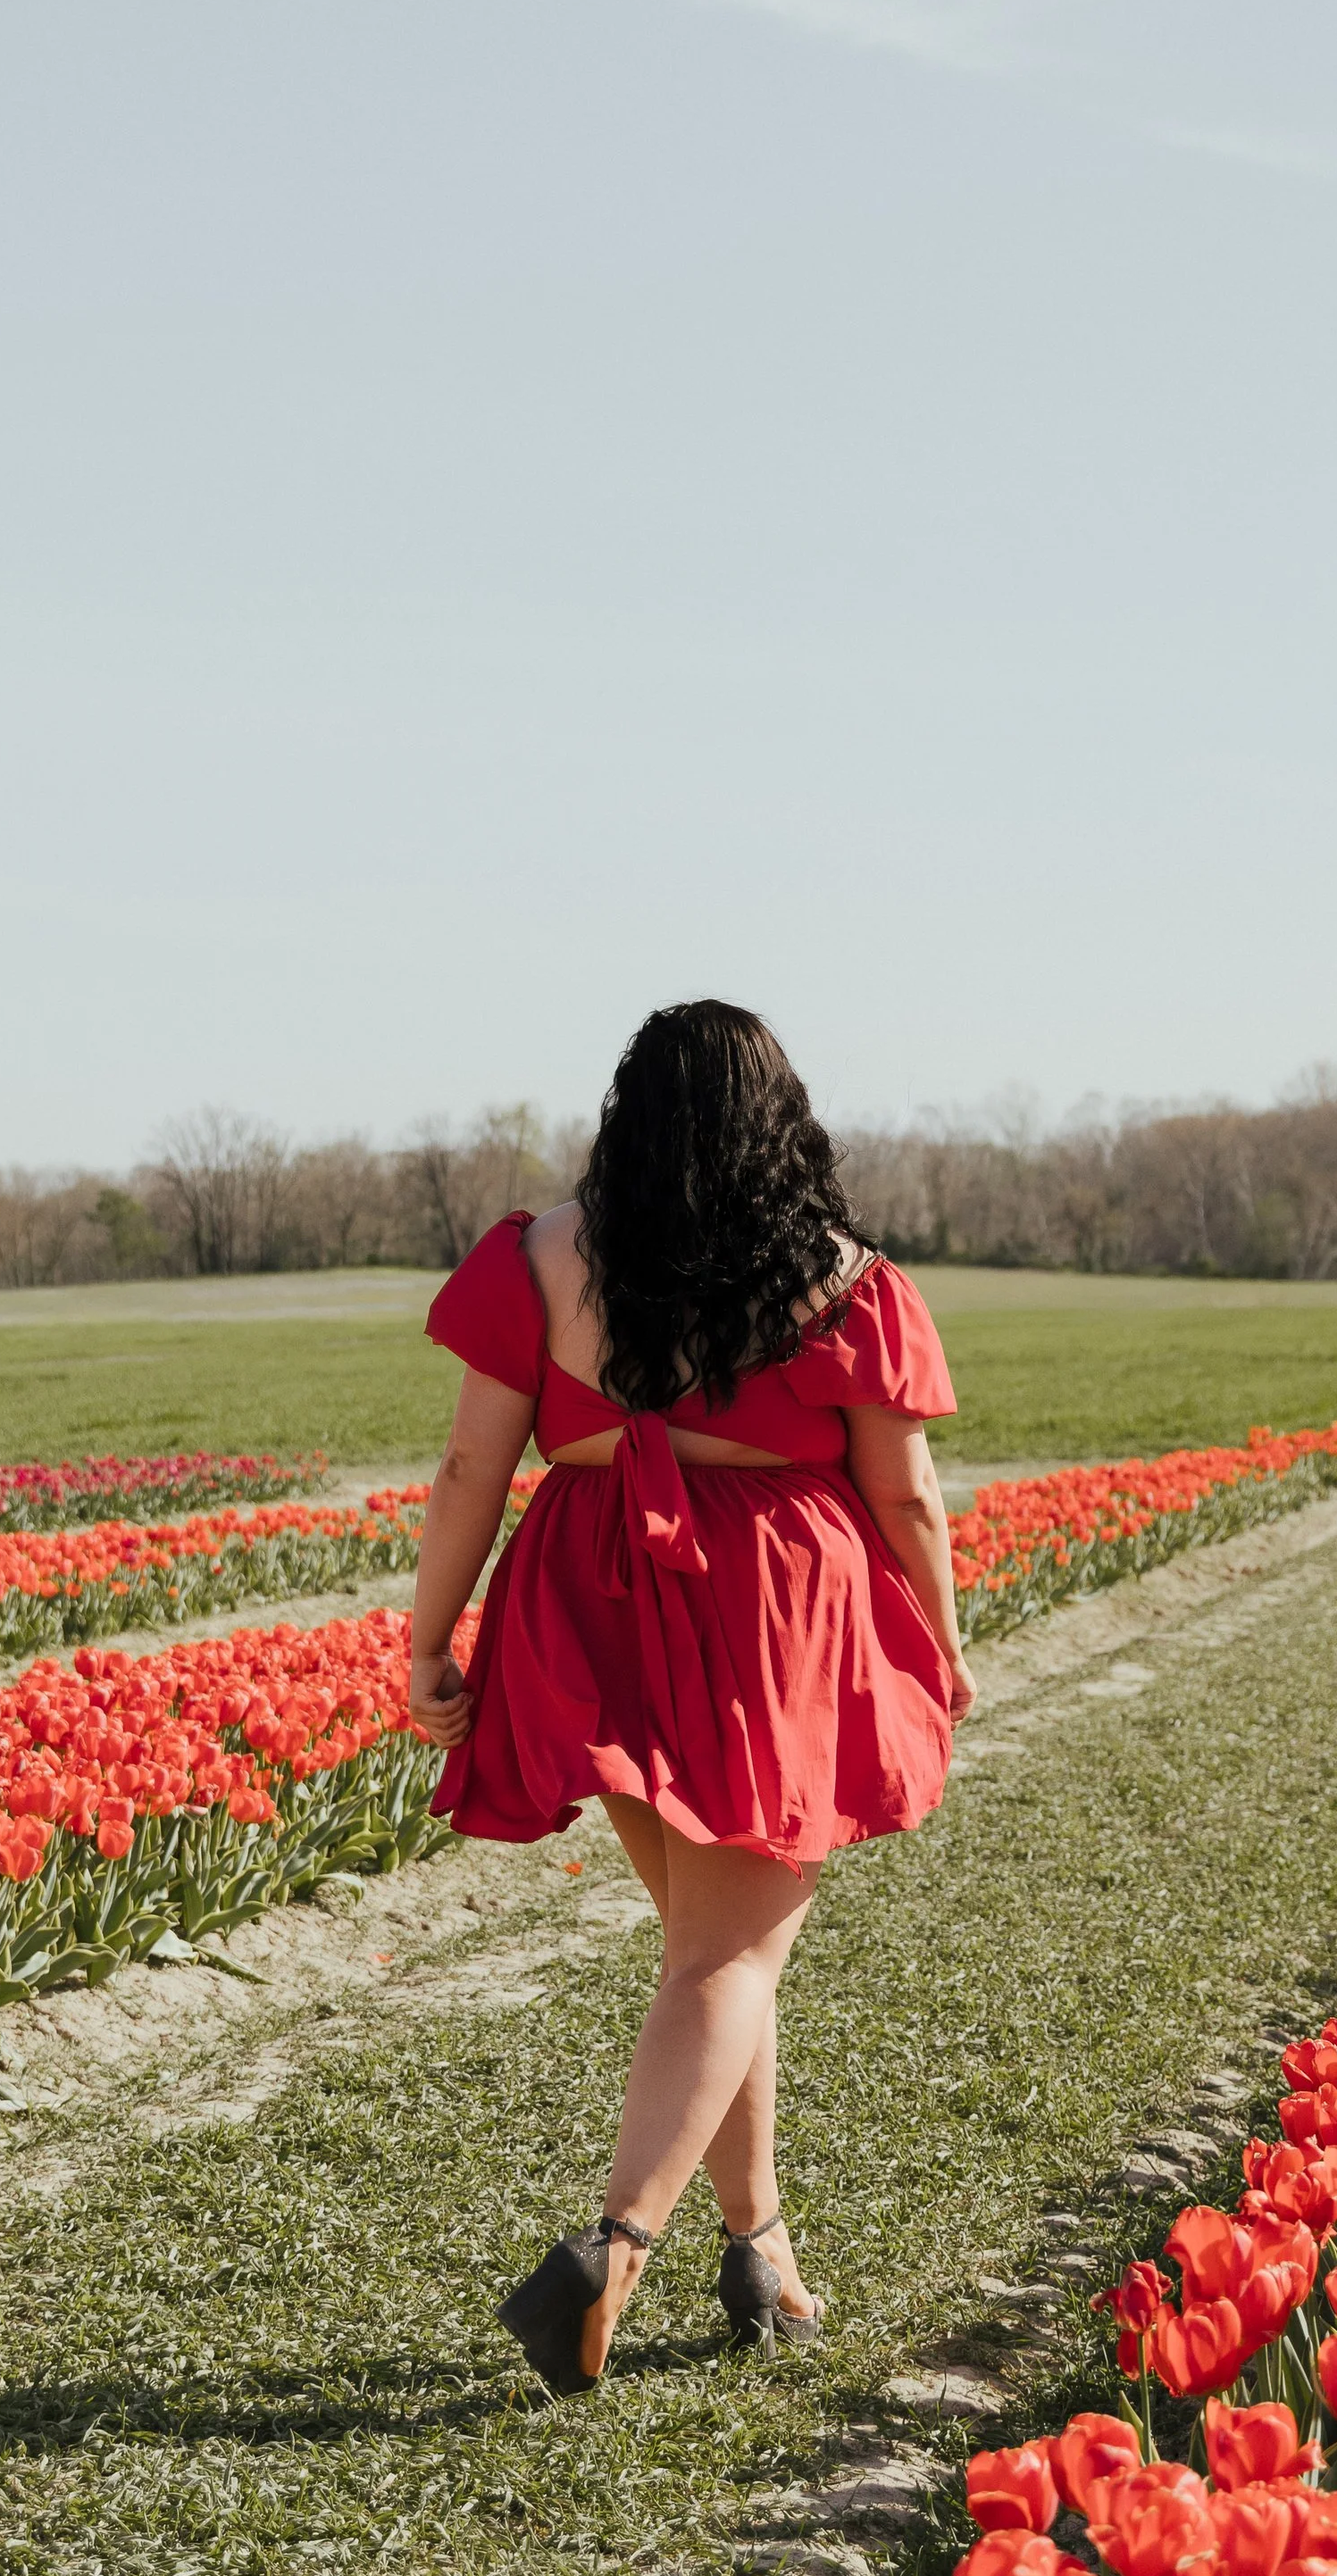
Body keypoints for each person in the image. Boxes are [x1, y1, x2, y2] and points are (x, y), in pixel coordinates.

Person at [406, 1001, 974, 2395]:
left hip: (591, 1600)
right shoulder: (835, 1274)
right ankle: (613, 2251)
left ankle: (759, 2245)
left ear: (629, 1114)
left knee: (708, 1949)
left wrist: (434, 1637)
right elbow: (902, 1490)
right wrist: (946, 1644)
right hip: (763, 1616)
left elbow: (471, 1470)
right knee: (726, 1958)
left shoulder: (542, 1256)